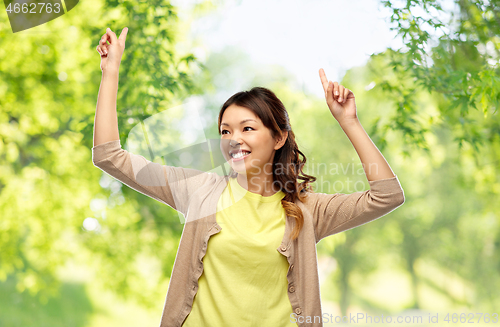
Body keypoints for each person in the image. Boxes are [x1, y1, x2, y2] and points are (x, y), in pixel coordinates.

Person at [93, 28, 405, 327]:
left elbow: (387, 196)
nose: (233, 139)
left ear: (279, 138)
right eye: (225, 131)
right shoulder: (198, 191)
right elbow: (109, 156)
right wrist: (110, 72)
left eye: (247, 128)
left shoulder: (307, 211)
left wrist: (349, 121)